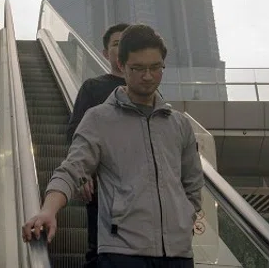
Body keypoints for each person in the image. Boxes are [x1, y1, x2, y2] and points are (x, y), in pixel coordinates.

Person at [22, 24, 204, 268]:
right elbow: (71, 170)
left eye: (155, 68)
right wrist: (48, 210)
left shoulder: (178, 124)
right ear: (121, 66)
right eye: (138, 68)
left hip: (179, 255)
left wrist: (183, 218)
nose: (148, 76)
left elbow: (192, 182)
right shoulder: (99, 119)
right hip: (122, 253)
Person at [66, 22, 129, 268]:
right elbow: (75, 132)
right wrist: (83, 174)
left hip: (139, 187)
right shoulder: (93, 87)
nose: (122, 48)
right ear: (106, 53)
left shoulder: (149, 92)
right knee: (100, 251)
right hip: (103, 186)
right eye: (116, 44)